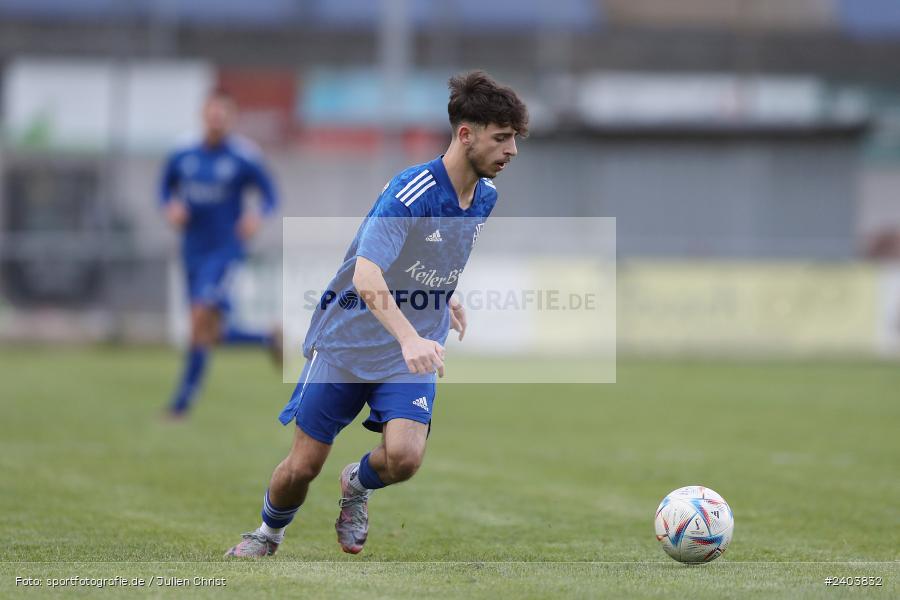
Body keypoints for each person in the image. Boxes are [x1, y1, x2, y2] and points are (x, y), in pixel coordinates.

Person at [225, 70, 528, 557]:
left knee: (405, 458)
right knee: (302, 467)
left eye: (514, 139)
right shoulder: (410, 191)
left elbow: (430, 255)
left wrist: (442, 294)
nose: (512, 150)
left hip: (408, 350)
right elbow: (367, 276)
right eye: (502, 138)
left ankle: (356, 486)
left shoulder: (485, 197)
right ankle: (267, 533)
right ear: (466, 134)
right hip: (349, 343)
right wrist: (410, 337)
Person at [160, 89, 282, 418]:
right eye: (212, 114)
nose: (217, 120)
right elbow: (164, 187)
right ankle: (264, 338)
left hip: (226, 250)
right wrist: (169, 206)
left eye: (223, 115)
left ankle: (181, 404)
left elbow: (270, 194)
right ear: (203, 115)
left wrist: (256, 216)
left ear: (231, 118)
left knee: (200, 316)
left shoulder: (243, 156)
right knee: (207, 331)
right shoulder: (183, 154)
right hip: (192, 251)